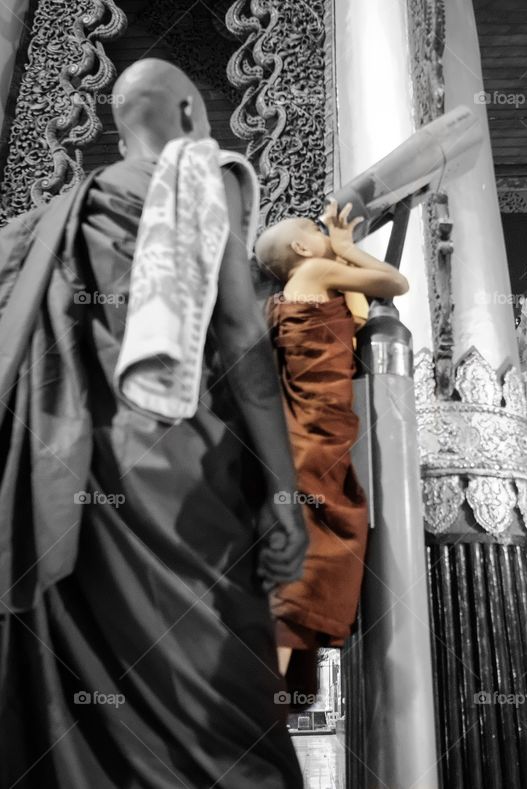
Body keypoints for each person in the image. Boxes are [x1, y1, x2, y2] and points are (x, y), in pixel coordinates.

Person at [0, 59, 306, 787]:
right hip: (182, 480)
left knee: (81, 696)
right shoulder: (205, 173)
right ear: (193, 116)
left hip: (70, 477)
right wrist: (286, 490)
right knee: (219, 697)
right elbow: (238, 335)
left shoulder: (52, 219)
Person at [254, 201, 408, 682]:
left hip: (305, 427)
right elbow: (394, 283)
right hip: (320, 429)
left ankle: (274, 679)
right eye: (314, 231)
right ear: (304, 247)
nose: (324, 233)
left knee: (315, 544)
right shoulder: (319, 270)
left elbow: (352, 322)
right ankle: (268, 688)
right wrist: (345, 246)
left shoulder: (285, 297)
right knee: (319, 547)